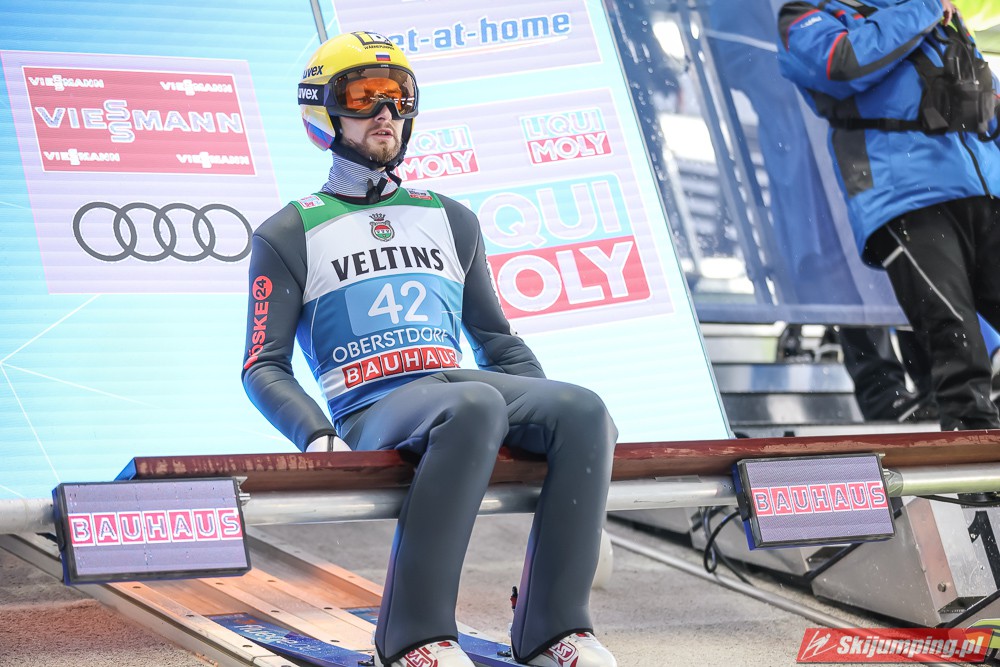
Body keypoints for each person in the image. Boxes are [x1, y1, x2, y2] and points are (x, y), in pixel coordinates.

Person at [240, 31, 619, 667]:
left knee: (583, 409)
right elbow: (262, 365)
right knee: (473, 405)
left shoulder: (451, 218)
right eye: (362, 96)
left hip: (452, 388)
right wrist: (315, 436)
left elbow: (498, 342)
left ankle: (553, 630)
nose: (385, 112)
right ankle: (413, 638)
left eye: (400, 96)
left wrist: (557, 436)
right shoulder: (288, 231)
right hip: (372, 408)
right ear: (322, 112)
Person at [776, 0, 1000, 430]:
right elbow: (840, 65)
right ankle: (977, 453)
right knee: (955, 339)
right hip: (904, 198)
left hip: (983, 188)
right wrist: (926, 7)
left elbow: (979, 94)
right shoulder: (804, 14)